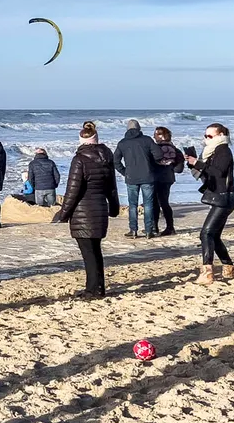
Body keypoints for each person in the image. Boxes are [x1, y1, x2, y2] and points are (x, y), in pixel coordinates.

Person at [53, 121, 120, 298]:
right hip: (100, 209)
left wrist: (63, 214)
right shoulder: (107, 157)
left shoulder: (79, 159)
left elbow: (72, 190)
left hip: (83, 212)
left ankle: (93, 290)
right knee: (95, 251)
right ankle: (98, 287)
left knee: (89, 253)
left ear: (81, 140)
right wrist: (114, 208)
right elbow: (112, 187)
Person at [185, 123, 234, 285]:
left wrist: (198, 163)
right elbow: (208, 174)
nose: (206, 139)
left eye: (210, 136)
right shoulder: (212, 151)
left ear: (220, 135)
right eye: (205, 136)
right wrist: (193, 164)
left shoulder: (223, 150)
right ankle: (228, 267)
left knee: (205, 234)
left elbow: (218, 172)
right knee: (214, 235)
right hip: (219, 197)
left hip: (224, 198)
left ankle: (207, 272)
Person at [114, 119, 161, 239]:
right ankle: (149, 231)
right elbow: (159, 155)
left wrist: (125, 172)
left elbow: (116, 161)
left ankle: (133, 230)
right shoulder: (147, 140)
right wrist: (151, 164)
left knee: (132, 204)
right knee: (148, 204)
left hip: (131, 177)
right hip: (147, 176)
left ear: (127, 129)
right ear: (139, 129)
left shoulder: (122, 143)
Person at [152, 127, 184, 236]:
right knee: (164, 202)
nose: (154, 136)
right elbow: (179, 169)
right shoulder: (175, 149)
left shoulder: (155, 149)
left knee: (155, 203)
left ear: (161, 136)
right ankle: (170, 227)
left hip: (155, 177)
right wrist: (169, 167)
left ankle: (155, 227)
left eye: (155, 134)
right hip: (168, 178)